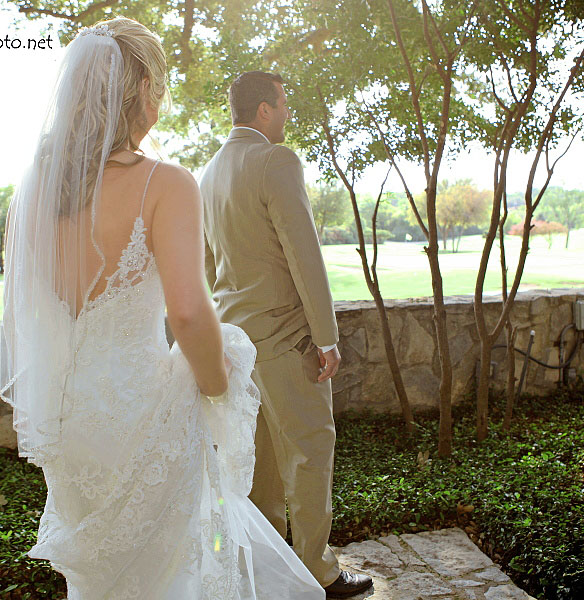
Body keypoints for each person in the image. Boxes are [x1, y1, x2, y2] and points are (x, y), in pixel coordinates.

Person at [1, 18, 324, 599]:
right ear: (143, 88)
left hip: (70, 419)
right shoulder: (164, 183)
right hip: (142, 416)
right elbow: (190, 314)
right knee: (175, 569)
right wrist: (218, 383)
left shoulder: (38, 188)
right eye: (161, 84)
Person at [199, 72, 373, 598]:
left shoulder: (208, 173)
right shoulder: (276, 160)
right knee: (310, 451)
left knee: (262, 466)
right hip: (285, 339)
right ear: (264, 109)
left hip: (235, 343)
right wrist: (325, 337)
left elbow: (209, 266)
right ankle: (318, 570)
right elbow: (304, 254)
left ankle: (271, 571)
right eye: (284, 103)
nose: (288, 113)